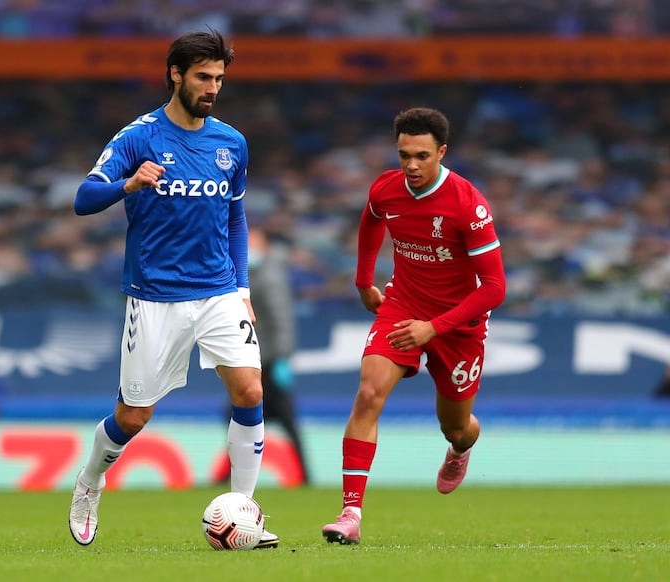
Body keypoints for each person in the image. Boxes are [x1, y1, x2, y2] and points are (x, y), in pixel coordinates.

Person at [68, 29, 278, 549]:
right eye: (203, 77)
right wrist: (129, 185)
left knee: (251, 392)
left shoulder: (231, 143)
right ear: (176, 75)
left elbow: (235, 218)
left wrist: (243, 285)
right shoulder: (138, 137)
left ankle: (244, 512)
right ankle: (90, 480)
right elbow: (83, 198)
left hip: (219, 291)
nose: (212, 87)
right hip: (155, 295)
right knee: (133, 416)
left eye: (220, 79)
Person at [321, 107, 507, 545]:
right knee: (368, 394)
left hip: (458, 323)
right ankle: (350, 513)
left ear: (442, 152)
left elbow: (495, 287)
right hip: (402, 305)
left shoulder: (468, 205)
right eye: (404, 154)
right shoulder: (387, 189)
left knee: (456, 426)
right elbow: (370, 220)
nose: (411, 165)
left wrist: (434, 328)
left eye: (422, 155)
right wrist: (364, 279)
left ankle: (460, 449)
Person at [214, 226, 310, 485]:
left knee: (246, 414)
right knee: (257, 417)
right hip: (258, 357)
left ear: (265, 247)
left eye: (253, 243)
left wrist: (281, 358)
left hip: (267, 361)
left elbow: (282, 320)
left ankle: (302, 475)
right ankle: (303, 475)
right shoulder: (256, 273)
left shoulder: (270, 276)